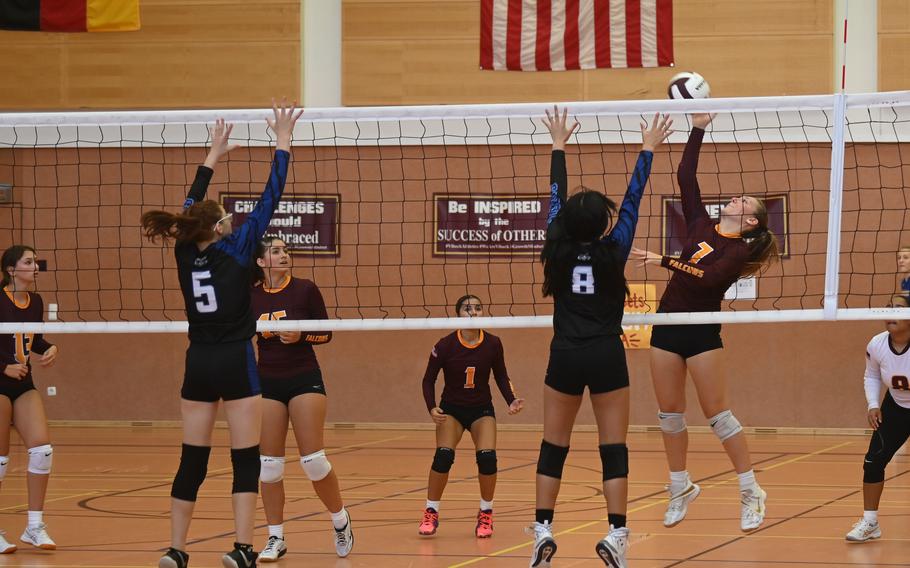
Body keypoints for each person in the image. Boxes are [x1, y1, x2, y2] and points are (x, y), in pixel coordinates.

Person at [140, 101, 302, 568]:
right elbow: (271, 196)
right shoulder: (238, 247)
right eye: (226, 219)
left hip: (198, 362)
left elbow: (190, 202)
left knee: (192, 459)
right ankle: (244, 548)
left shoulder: (184, 249)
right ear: (219, 226)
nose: (233, 221)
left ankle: (176, 549)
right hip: (234, 360)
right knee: (245, 458)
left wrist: (213, 154)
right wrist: (283, 141)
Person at [529, 107, 672, 568]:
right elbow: (633, 198)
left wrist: (557, 145)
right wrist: (647, 149)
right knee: (614, 448)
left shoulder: (555, 244)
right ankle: (616, 535)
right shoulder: (616, 249)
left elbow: (553, 199)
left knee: (554, 445)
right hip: (608, 354)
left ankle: (543, 531)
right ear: (602, 223)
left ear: (568, 222)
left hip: (565, 356)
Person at [630, 113, 779, 533]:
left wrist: (663, 260)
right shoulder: (700, 223)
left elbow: (710, 277)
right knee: (669, 415)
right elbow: (685, 173)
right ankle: (680, 487)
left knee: (718, 416)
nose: (735, 199)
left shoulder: (738, 252)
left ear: (750, 221)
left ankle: (751, 490)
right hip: (667, 324)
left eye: (743, 202)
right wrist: (698, 127)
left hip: (701, 331)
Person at [251, 236, 353, 561]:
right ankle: (275, 538)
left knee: (313, 461)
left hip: (303, 376)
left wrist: (301, 335)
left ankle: (340, 521)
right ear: (261, 261)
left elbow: (326, 332)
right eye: (276, 251)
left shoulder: (305, 289)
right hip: (267, 380)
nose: (284, 255)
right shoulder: (250, 295)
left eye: (285, 250)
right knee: (268, 466)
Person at [418, 294, 524, 539]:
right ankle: (431, 511)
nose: (473, 312)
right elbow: (428, 379)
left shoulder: (493, 343)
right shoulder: (445, 345)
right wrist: (431, 407)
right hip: (452, 409)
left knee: (487, 458)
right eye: (467, 308)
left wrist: (511, 399)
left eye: (477, 308)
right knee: (443, 456)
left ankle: (486, 513)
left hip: (481, 409)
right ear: (458, 314)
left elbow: (500, 375)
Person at [0, 245, 58, 553]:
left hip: (23, 382)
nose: (35, 266)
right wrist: (3, 366)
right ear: (11, 270)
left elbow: (32, 340)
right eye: (28, 261)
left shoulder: (35, 301)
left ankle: (34, 526)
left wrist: (49, 348)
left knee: (42, 450)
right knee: (0, 460)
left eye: (34, 261)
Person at [845, 294, 910, 542]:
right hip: (895, 407)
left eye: (898, 309)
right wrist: (873, 405)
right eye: (889, 308)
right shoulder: (877, 344)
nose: (891, 312)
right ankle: (870, 522)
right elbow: (871, 375)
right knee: (873, 462)